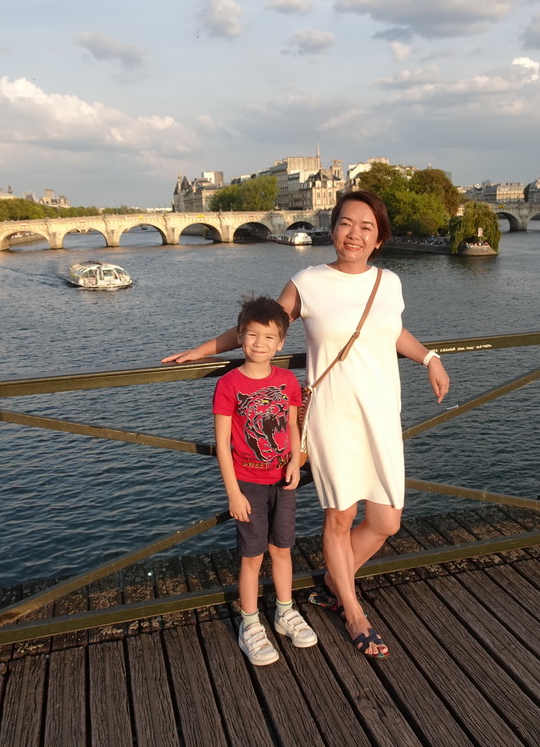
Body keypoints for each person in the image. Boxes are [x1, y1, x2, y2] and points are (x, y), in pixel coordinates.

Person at [165, 190, 449, 659]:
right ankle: (354, 613)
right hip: (333, 418)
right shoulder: (309, 281)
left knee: (386, 521)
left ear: (378, 240)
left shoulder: (389, 282)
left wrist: (430, 358)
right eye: (345, 223)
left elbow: (393, 331)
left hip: (381, 414)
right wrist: (205, 349)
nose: (353, 234)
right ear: (332, 227)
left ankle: (337, 586)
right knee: (339, 518)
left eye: (366, 227)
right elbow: (263, 327)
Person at [212, 295, 317, 666]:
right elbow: (222, 443)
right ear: (240, 337)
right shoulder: (229, 384)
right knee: (252, 556)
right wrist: (233, 493)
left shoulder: (287, 380)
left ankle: (285, 611)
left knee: (283, 548)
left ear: (281, 343)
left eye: (268, 337)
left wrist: (294, 461)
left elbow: (291, 424)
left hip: (282, 480)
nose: (259, 344)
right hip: (248, 484)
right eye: (252, 335)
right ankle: (250, 622)